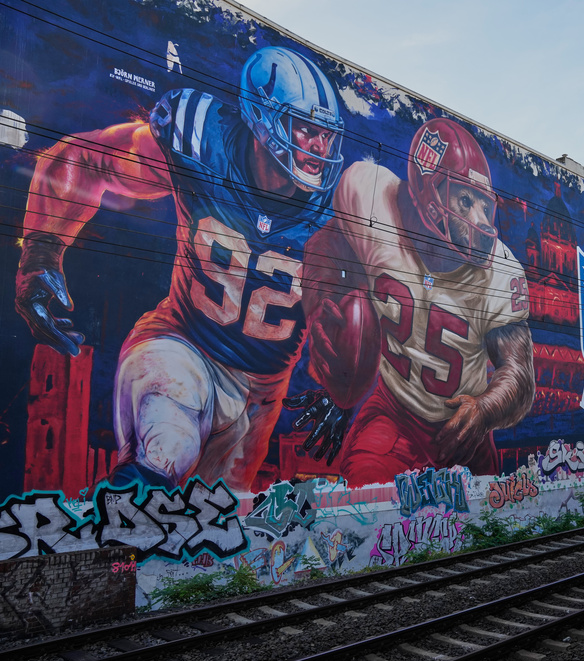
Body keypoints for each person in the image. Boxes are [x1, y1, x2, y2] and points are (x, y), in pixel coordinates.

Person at [14, 46, 347, 491]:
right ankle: (121, 524)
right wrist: (40, 255)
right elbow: (88, 159)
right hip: (181, 341)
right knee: (167, 446)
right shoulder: (202, 140)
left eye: (325, 134)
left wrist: (347, 386)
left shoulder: (344, 209)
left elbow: (376, 306)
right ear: (263, 120)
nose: (318, 147)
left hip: (261, 396)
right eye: (305, 129)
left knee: (218, 519)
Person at [290, 118, 535, 486]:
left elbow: (518, 373)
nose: (481, 222)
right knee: (367, 498)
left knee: (483, 517)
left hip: (464, 426)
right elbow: (326, 247)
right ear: (428, 191)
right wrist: (327, 307)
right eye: (465, 201)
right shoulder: (373, 200)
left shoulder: (500, 271)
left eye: (485, 207)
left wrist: (484, 409)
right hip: (395, 412)